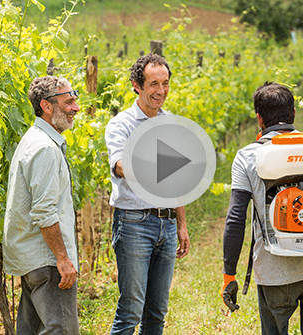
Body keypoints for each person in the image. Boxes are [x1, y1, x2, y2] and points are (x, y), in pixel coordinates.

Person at [221, 82, 303, 335]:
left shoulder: (248, 157)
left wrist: (229, 276)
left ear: (259, 119)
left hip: (273, 271)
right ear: (293, 114)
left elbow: (235, 220)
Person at [105, 53, 190, 335]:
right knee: (130, 309)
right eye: (154, 84)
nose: (161, 91)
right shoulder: (122, 124)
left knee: (157, 312)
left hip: (166, 223)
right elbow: (119, 166)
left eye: (165, 83)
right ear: (136, 86)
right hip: (134, 224)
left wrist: (181, 223)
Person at [3, 76, 80, 334]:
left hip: (31, 257)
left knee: (30, 330)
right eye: (68, 102)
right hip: (47, 261)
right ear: (47, 106)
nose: (76, 108)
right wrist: (62, 258)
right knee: (61, 330)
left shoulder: (32, 139)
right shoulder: (45, 148)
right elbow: (44, 211)